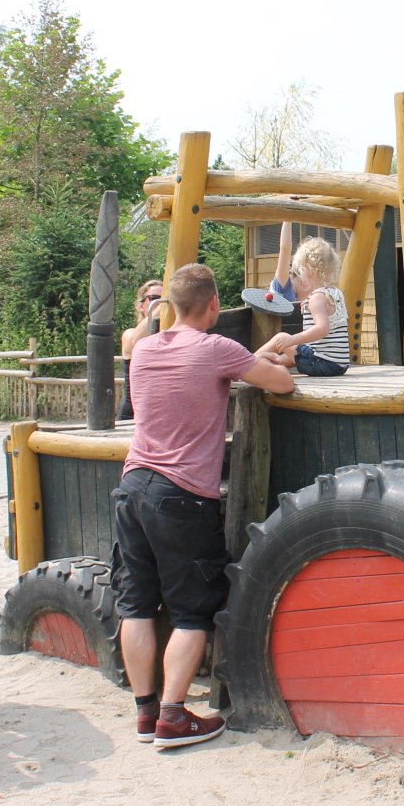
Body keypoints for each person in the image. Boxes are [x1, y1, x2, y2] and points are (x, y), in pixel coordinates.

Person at [115, 263, 294, 748]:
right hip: (181, 495)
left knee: (136, 604)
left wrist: (248, 358)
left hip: (132, 487)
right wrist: (277, 360)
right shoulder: (217, 349)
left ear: (170, 305)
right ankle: (174, 717)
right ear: (214, 304)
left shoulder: (145, 349)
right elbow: (280, 385)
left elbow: (202, 370)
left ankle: (145, 712)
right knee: (192, 610)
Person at [260, 236, 351, 377]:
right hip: (339, 364)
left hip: (322, 363)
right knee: (291, 353)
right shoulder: (335, 294)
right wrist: (311, 304)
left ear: (306, 270)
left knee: (281, 337)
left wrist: (292, 339)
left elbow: (322, 328)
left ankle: (246, 364)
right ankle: (269, 364)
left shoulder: (316, 298)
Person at [118, 279, 164, 422]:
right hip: (132, 415)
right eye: (154, 299)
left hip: (161, 415)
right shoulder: (129, 334)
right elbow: (133, 343)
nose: (159, 303)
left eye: (164, 300)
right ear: (140, 306)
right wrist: (162, 308)